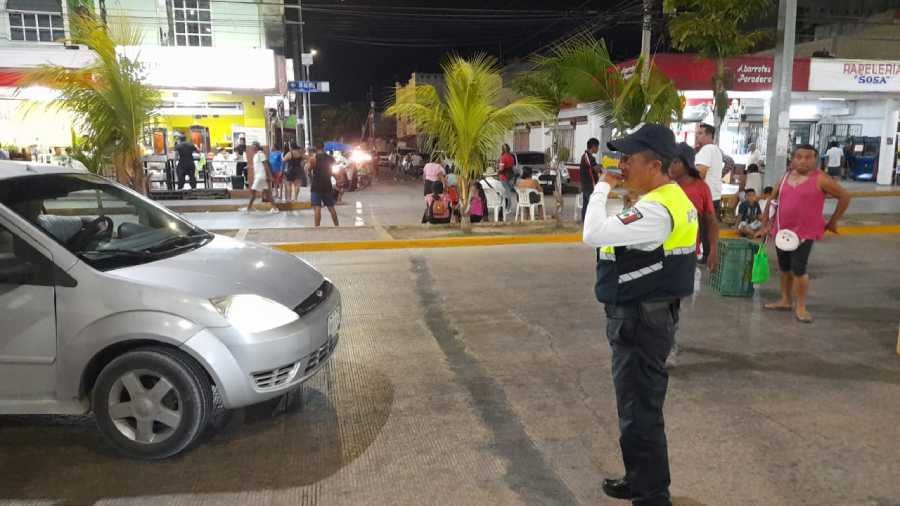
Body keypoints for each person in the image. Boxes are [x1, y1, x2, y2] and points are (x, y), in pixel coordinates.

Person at [583, 124, 697, 506]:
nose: (623, 164)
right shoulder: (669, 198)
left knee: (640, 412)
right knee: (636, 407)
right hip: (648, 315)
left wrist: (602, 186)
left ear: (656, 164)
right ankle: (640, 479)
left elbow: (593, 233)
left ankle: (651, 496)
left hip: (640, 321)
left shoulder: (656, 208)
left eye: (631, 158)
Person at [756, 144, 850, 323]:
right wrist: (766, 223)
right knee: (784, 268)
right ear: (792, 159)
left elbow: (845, 196)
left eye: (808, 157)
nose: (803, 161)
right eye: (799, 157)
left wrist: (833, 221)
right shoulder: (785, 177)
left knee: (799, 269)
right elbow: (772, 199)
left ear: (815, 160)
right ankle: (785, 300)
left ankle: (801, 306)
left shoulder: (820, 179)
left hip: (804, 233)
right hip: (782, 230)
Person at [669, 142, 719, 271]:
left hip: (687, 252)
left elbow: (711, 221)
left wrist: (713, 249)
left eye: (675, 162)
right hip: (661, 250)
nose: (670, 166)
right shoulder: (666, 185)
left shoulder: (701, 187)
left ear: (687, 165)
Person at [694, 123, 724, 264]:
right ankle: (708, 256)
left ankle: (706, 257)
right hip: (714, 195)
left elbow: (700, 173)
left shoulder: (706, 150)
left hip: (706, 196)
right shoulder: (716, 150)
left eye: (700, 133)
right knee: (708, 229)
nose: (697, 135)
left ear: (708, 135)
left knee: (704, 228)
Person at [241, 142, 278, 214]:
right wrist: (250, 167)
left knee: (253, 192)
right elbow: (258, 165)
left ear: (257, 147)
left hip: (260, 176)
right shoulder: (256, 155)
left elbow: (266, 165)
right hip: (259, 176)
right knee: (267, 194)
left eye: (253, 146)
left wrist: (269, 175)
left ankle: (249, 208)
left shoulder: (261, 154)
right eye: (252, 146)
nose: (252, 148)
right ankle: (275, 208)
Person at [308, 149, 340, 227]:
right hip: (327, 185)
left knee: (317, 208)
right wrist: (336, 179)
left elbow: (308, 170)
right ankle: (337, 226)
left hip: (316, 185)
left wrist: (312, 178)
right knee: (331, 208)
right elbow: (333, 171)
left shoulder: (313, 159)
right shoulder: (331, 158)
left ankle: (317, 227)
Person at [580, 138, 601, 222]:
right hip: (589, 185)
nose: (598, 149)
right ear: (593, 147)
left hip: (587, 185)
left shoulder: (588, 157)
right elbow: (596, 169)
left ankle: (584, 222)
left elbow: (593, 167)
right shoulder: (587, 156)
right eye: (597, 147)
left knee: (586, 205)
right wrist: (600, 168)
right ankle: (590, 222)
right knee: (592, 205)